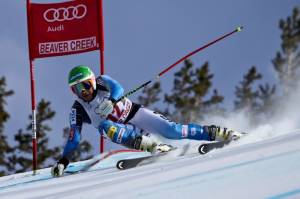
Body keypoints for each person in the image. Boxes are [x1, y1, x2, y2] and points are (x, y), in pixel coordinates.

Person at [51, 65, 242, 176]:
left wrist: (111, 100)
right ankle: (153, 146)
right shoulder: (78, 109)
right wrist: (64, 160)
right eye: (77, 89)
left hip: (135, 114)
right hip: (123, 131)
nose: (83, 92)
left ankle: (217, 132)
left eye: (85, 86)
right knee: (105, 127)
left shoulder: (102, 81)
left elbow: (117, 87)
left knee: (173, 132)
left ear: (92, 81)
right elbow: (74, 137)